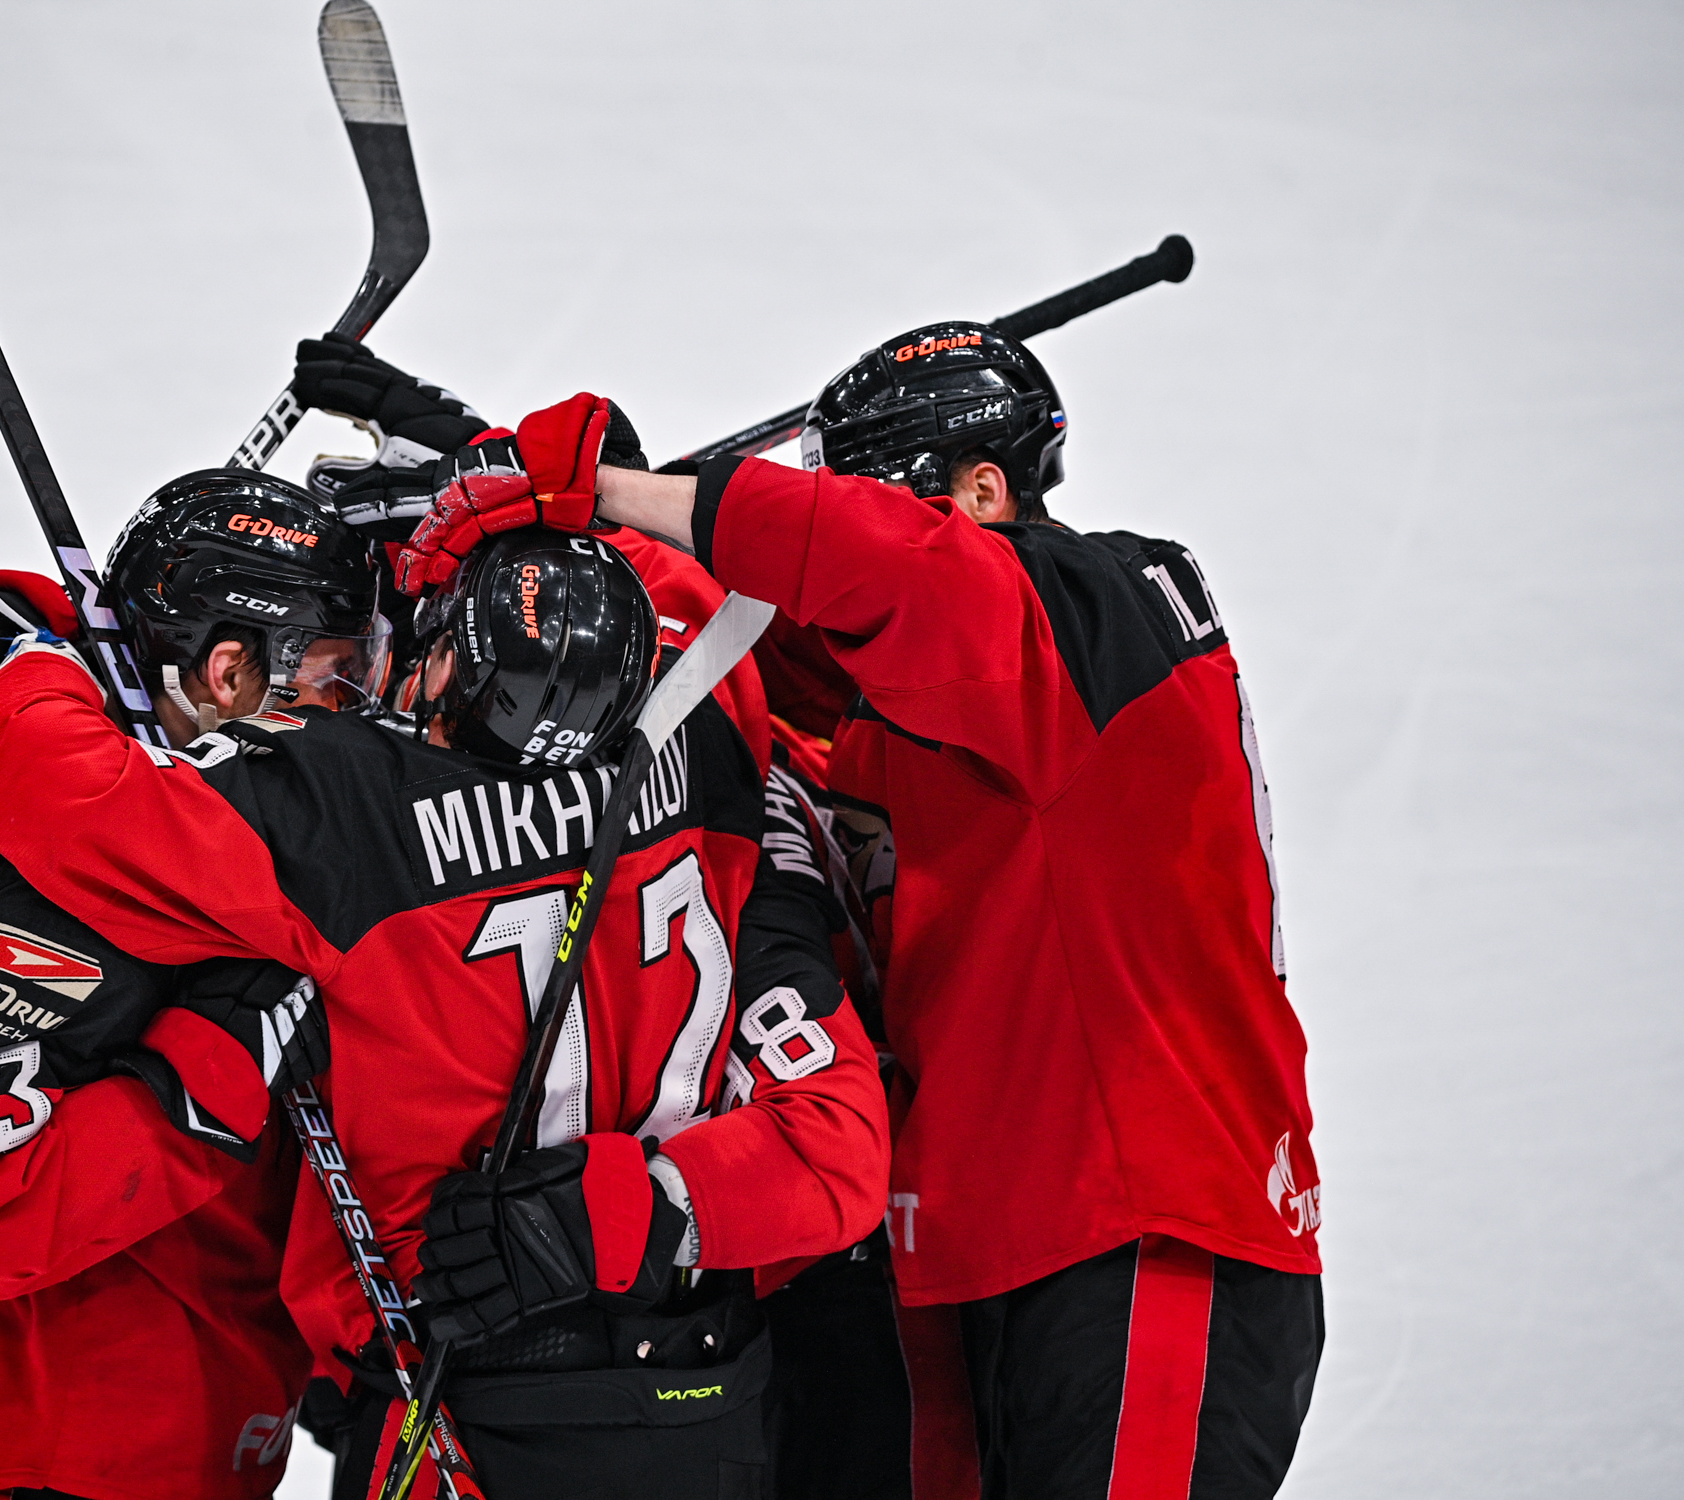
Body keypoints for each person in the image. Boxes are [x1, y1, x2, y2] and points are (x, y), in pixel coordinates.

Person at [394, 326, 1325, 1500]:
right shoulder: (918, 700)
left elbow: (874, 566)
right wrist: (489, 488)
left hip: (1146, 1236)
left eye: (876, 501)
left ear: (981, 492)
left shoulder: (1094, 609)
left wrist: (608, 487)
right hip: (1011, 1254)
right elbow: (719, 626)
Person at [0, 400, 890, 1500]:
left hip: (464, 1399)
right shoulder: (713, 723)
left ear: (444, 670)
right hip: (711, 1396)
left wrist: (38, 658)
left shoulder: (345, 805)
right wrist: (513, 497)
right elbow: (661, 590)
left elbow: (52, 789)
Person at [0, 470, 380, 1500]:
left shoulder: (111, 784)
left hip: (144, 1399)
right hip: (60, 1437)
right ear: (229, 672)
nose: (356, 706)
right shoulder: (102, 886)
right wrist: (217, 1060)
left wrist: (37, 665)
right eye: (333, 673)